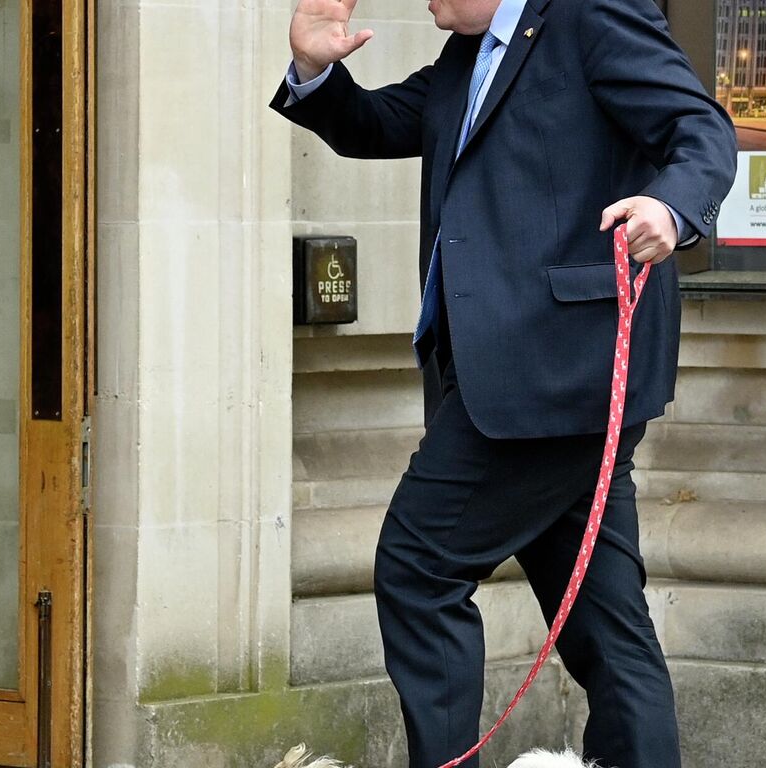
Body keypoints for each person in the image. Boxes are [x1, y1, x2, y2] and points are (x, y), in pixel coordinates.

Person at [271, 0, 735, 763]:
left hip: (555, 377)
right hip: (517, 381)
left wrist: (671, 205)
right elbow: (381, 124)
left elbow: (703, 129)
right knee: (606, 626)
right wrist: (317, 70)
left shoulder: (590, 13)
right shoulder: (469, 52)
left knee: (418, 566)